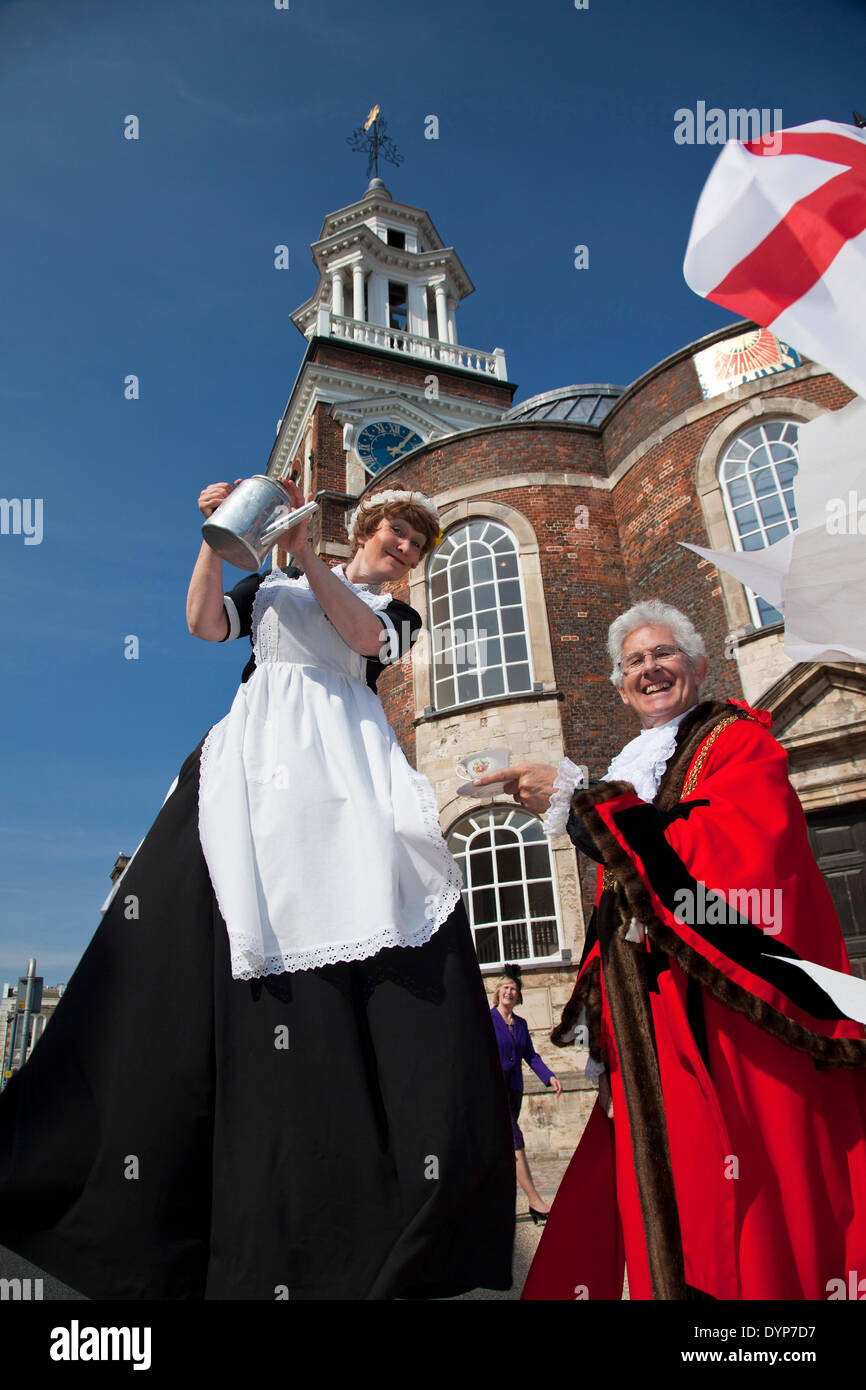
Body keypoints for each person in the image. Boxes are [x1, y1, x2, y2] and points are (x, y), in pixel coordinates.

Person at [0, 479, 515, 1301]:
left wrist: (305, 549)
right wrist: (216, 535)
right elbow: (205, 624)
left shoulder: (388, 612)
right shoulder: (270, 588)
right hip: (254, 757)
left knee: (374, 911)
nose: (406, 547)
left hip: (342, 766)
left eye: (418, 542)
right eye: (396, 532)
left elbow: (358, 633)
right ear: (368, 529)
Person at [476, 599, 866, 1301]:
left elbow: (727, 857)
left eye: (664, 654)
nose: (650, 669)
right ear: (620, 686)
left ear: (699, 665)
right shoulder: (636, 759)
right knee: (667, 1188)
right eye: (634, 662)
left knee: (739, 1193)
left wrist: (579, 801)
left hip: (724, 1002)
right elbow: (624, 894)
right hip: (648, 1008)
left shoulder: (736, 739)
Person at [490, 965, 562, 1222]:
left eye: (514, 989)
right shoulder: (487, 1020)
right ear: (497, 993)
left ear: (518, 997)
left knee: (500, 1147)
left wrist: (549, 1076)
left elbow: (530, 1056)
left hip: (514, 1091)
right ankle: (535, 1200)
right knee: (514, 1140)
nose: (509, 992)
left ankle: (493, 1204)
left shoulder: (520, 1024)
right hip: (494, 1091)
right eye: (505, 988)